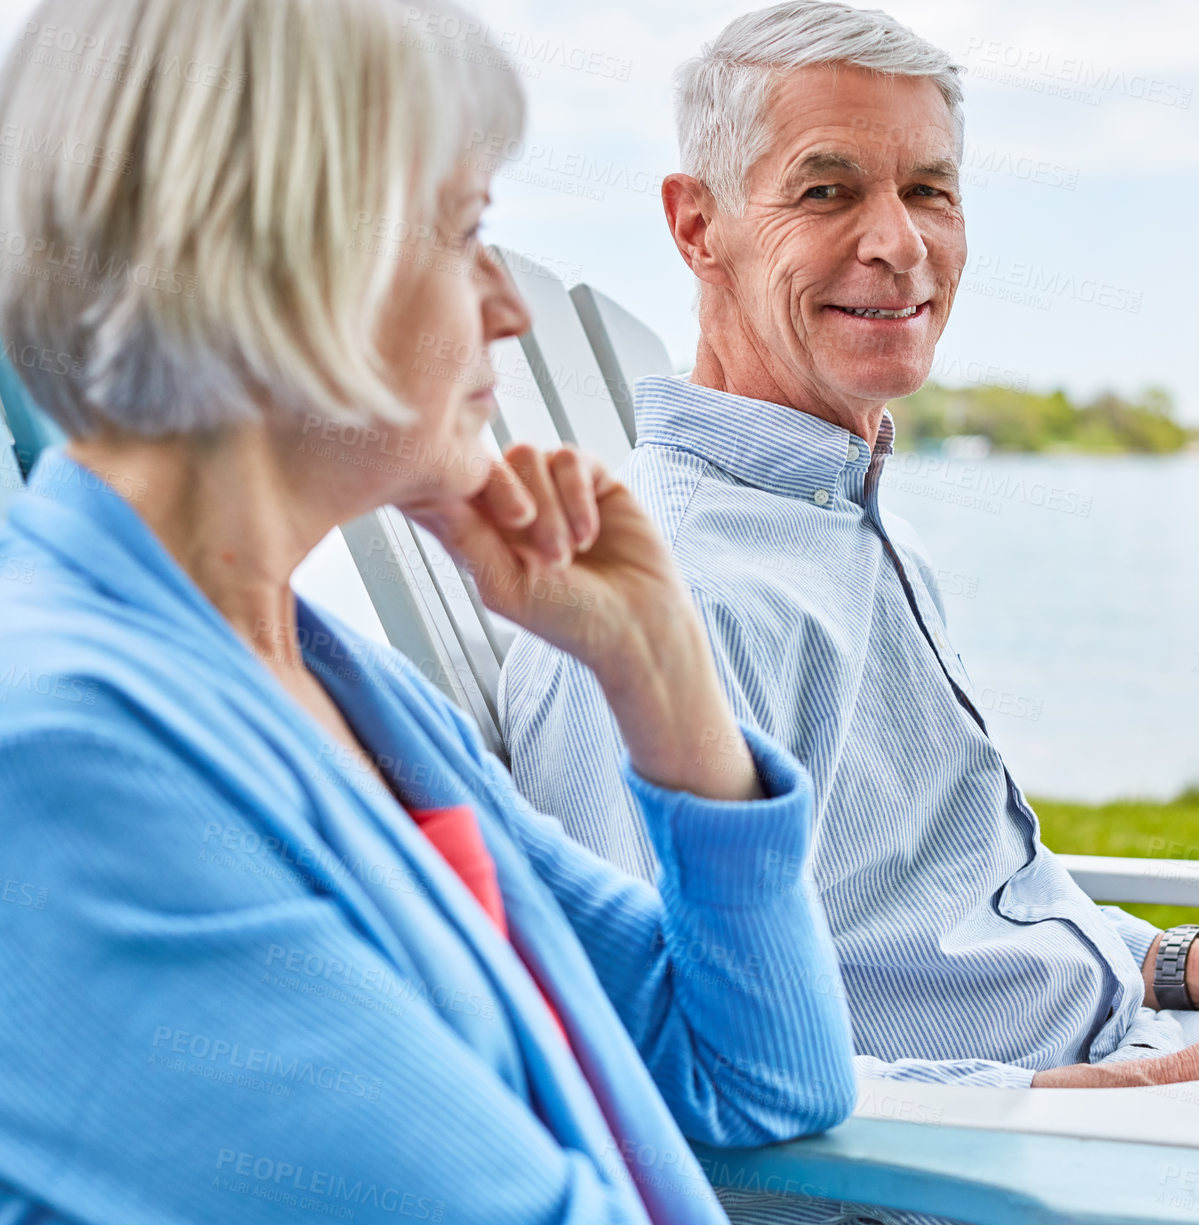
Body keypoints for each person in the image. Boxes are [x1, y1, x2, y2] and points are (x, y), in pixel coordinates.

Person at [501, 0, 1199, 1122]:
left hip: (1159, 1041)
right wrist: (1185, 1079)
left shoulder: (837, 516)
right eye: (827, 189)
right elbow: (666, 1079)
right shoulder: (659, 608)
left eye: (930, 189)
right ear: (698, 226)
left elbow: (958, 911)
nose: (900, 243)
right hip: (1075, 1140)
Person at [0, 2, 855, 1222]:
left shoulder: (341, 689)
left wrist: (662, 674)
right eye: (465, 233)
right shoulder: (60, 768)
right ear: (276, 264)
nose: (506, 306)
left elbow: (761, 1077)